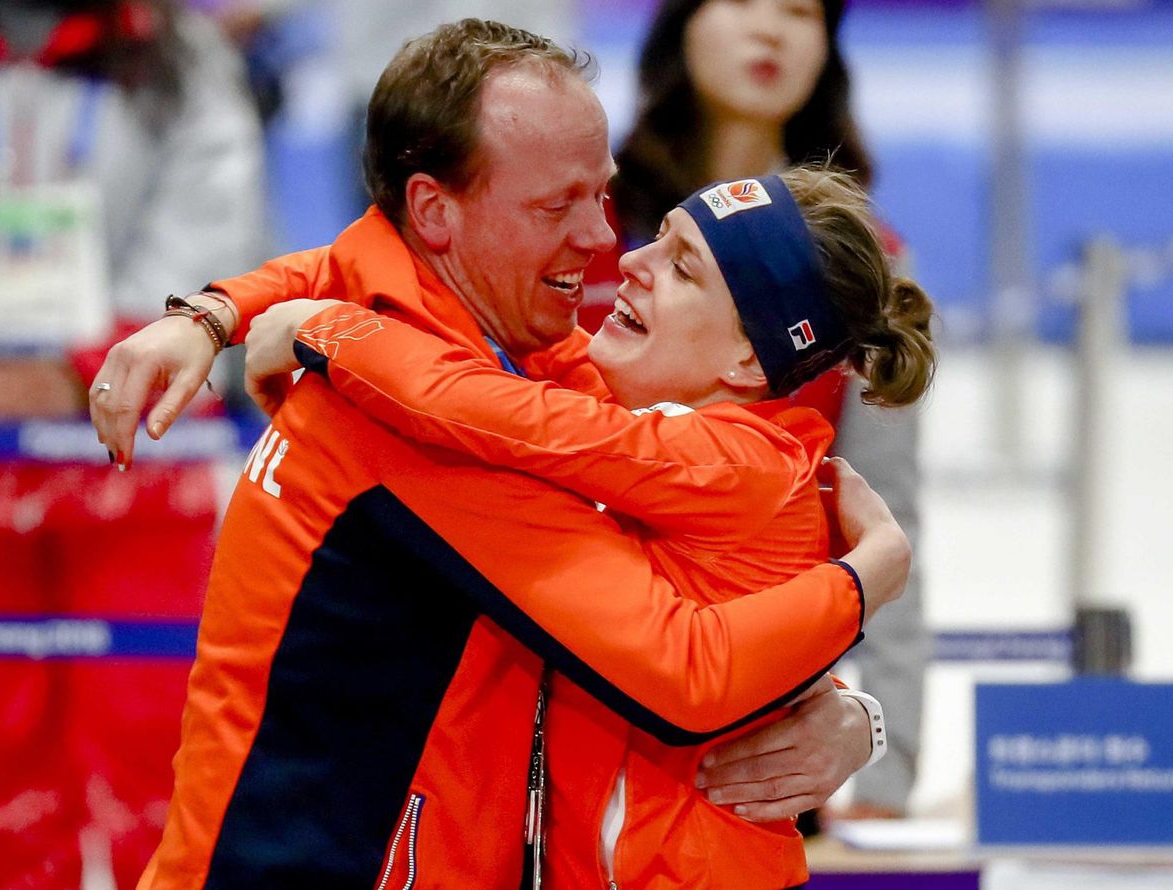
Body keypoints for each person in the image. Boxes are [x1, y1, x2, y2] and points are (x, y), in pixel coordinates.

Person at [90, 20, 907, 887]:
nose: (606, 244)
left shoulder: (528, 362)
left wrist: (848, 712)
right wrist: (865, 581)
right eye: (560, 205)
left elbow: (369, 275)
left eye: (604, 195)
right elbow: (682, 667)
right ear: (436, 213)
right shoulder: (410, 421)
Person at [239, 165, 936, 889]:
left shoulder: (734, 460)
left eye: (682, 268)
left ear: (748, 357)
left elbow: (489, 409)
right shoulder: (687, 442)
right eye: (659, 238)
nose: (631, 262)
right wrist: (213, 315)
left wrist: (321, 327)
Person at [578, 0, 929, 819]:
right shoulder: (578, 216)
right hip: (550, 726)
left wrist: (876, 745)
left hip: (747, 764)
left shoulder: (868, 271)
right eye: (741, 1)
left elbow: (885, 525)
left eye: (801, 10)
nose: (770, 29)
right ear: (680, 24)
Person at [0, 2, 263, 886]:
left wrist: (84, 365)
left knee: (163, 740)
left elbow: (217, 230)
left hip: (139, 452)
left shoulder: (182, 56)